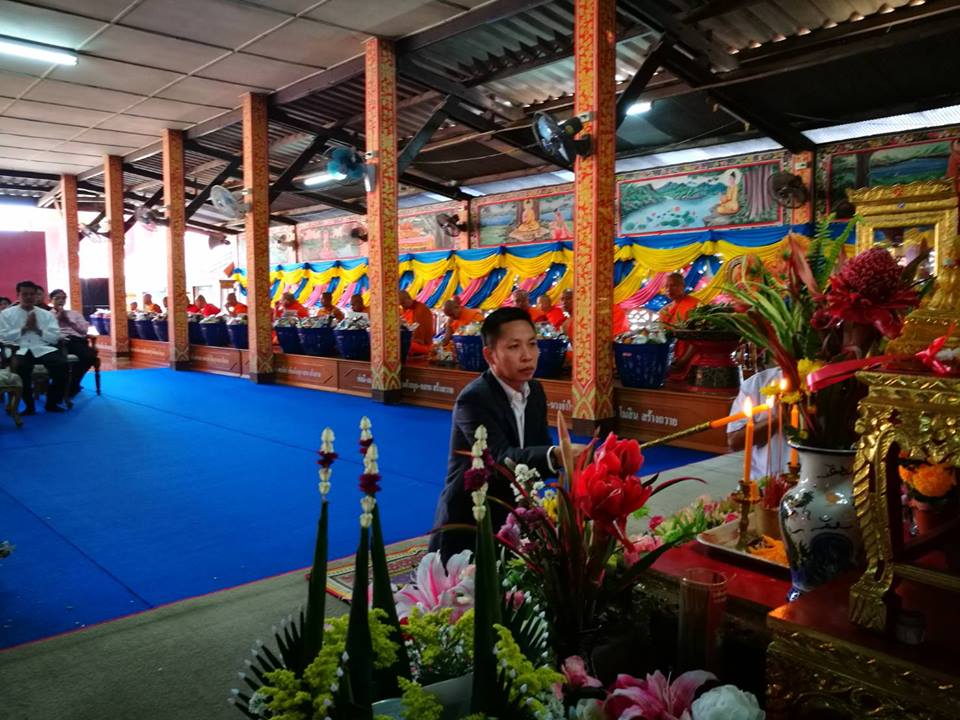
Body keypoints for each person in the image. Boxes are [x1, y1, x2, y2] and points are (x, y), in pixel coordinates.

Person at [429, 307, 580, 560]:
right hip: (473, 519)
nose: (527, 356)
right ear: (490, 355)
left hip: (517, 515)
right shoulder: (474, 399)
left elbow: (537, 447)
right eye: (514, 347)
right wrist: (555, 456)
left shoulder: (535, 391)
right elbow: (500, 459)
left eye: (532, 344)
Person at [0, 281, 68, 414]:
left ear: (36, 296)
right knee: (21, 368)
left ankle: (52, 402)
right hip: (18, 349)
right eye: (25, 294)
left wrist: (38, 330)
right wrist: (24, 329)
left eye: (32, 294)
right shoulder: (6, 314)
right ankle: (29, 406)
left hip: (42, 348)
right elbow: (3, 336)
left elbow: (55, 337)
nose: (29, 297)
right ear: (18, 295)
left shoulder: (46, 314)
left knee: (62, 365)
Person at [727, 367, 790, 481]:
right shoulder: (758, 382)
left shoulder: (823, 383)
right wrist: (776, 419)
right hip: (764, 479)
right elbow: (734, 442)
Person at [49, 289, 96, 397]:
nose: (61, 300)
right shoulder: (47, 315)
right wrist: (57, 319)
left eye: (63, 298)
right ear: (51, 300)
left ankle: (73, 385)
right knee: (59, 362)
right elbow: (46, 331)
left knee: (89, 357)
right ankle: (62, 387)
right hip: (57, 341)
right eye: (57, 298)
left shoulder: (74, 314)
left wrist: (69, 321)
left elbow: (84, 331)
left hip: (75, 340)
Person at [660, 272, 699, 375]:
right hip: (670, 358)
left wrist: (684, 360)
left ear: (683, 286)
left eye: (673, 285)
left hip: (691, 358)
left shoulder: (695, 305)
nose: (669, 289)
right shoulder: (665, 310)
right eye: (666, 286)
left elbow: (698, 337)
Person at [399, 289, 435, 356]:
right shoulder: (408, 310)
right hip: (414, 343)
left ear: (408, 299)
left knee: (402, 345)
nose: (403, 306)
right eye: (401, 305)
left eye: (403, 303)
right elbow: (409, 328)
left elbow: (418, 333)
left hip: (424, 345)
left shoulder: (420, 309)